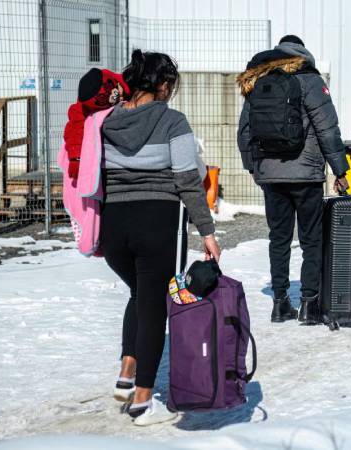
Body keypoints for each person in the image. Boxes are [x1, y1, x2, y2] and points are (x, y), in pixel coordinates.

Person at [101, 50, 221, 425]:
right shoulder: (172, 121)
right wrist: (208, 231)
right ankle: (142, 401)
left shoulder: (104, 120)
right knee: (154, 308)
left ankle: (126, 372)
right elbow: (188, 179)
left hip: (113, 225)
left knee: (139, 295)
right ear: (164, 85)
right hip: (156, 222)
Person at [238, 35, 349, 325]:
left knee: (279, 238)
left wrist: (254, 168)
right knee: (311, 238)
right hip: (306, 173)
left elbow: (245, 130)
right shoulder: (310, 80)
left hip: (271, 174)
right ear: (303, 53)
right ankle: (309, 305)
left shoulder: (260, 79)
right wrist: (340, 169)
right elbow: (327, 128)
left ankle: (279, 303)